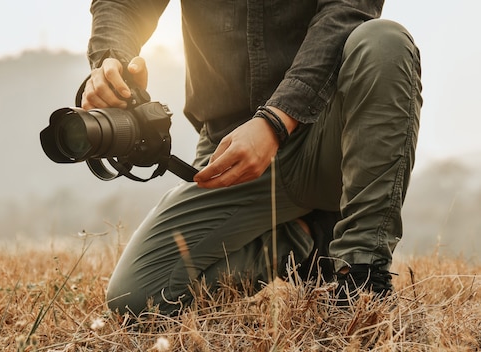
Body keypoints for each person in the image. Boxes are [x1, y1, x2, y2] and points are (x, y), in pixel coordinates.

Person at [80, 1, 422, 315]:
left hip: (328, 139)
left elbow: (347, 9)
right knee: (137, 299)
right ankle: (306, 238)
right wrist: (111, 58)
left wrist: (275, 119)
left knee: (385, 41)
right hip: (228, 148)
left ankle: (361, 276)